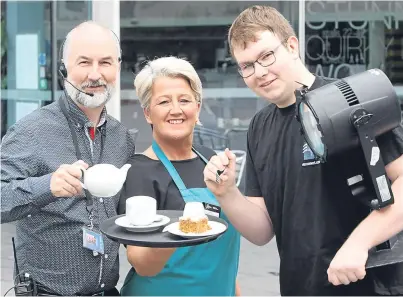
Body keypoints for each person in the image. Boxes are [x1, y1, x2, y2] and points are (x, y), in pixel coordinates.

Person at [203, 5, 403, 296]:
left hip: (369, 285)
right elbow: (262, 231)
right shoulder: (259, 126)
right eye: (247, 65)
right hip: (299, 287)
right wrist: (227, 193)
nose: (260, 72)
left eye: (266, 56)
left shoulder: (350, 100)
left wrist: (359, 242)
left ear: (292, 46)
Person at [1, 21, 136, 296]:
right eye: (84, 62)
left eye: (105, 62)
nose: (95, 74)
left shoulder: (123, 138)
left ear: (118, 68)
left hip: (108, 291)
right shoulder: (30, 131)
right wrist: (46, 186)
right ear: (64, 69)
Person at [118, 56, 241, 296]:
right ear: (147, 113)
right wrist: (182, 228)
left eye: (184, 100)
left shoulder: (210, 160)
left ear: (197, 108)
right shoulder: (140, 172)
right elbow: (142, 264)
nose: (176, 109)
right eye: (164, 102)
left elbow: (223, 259)